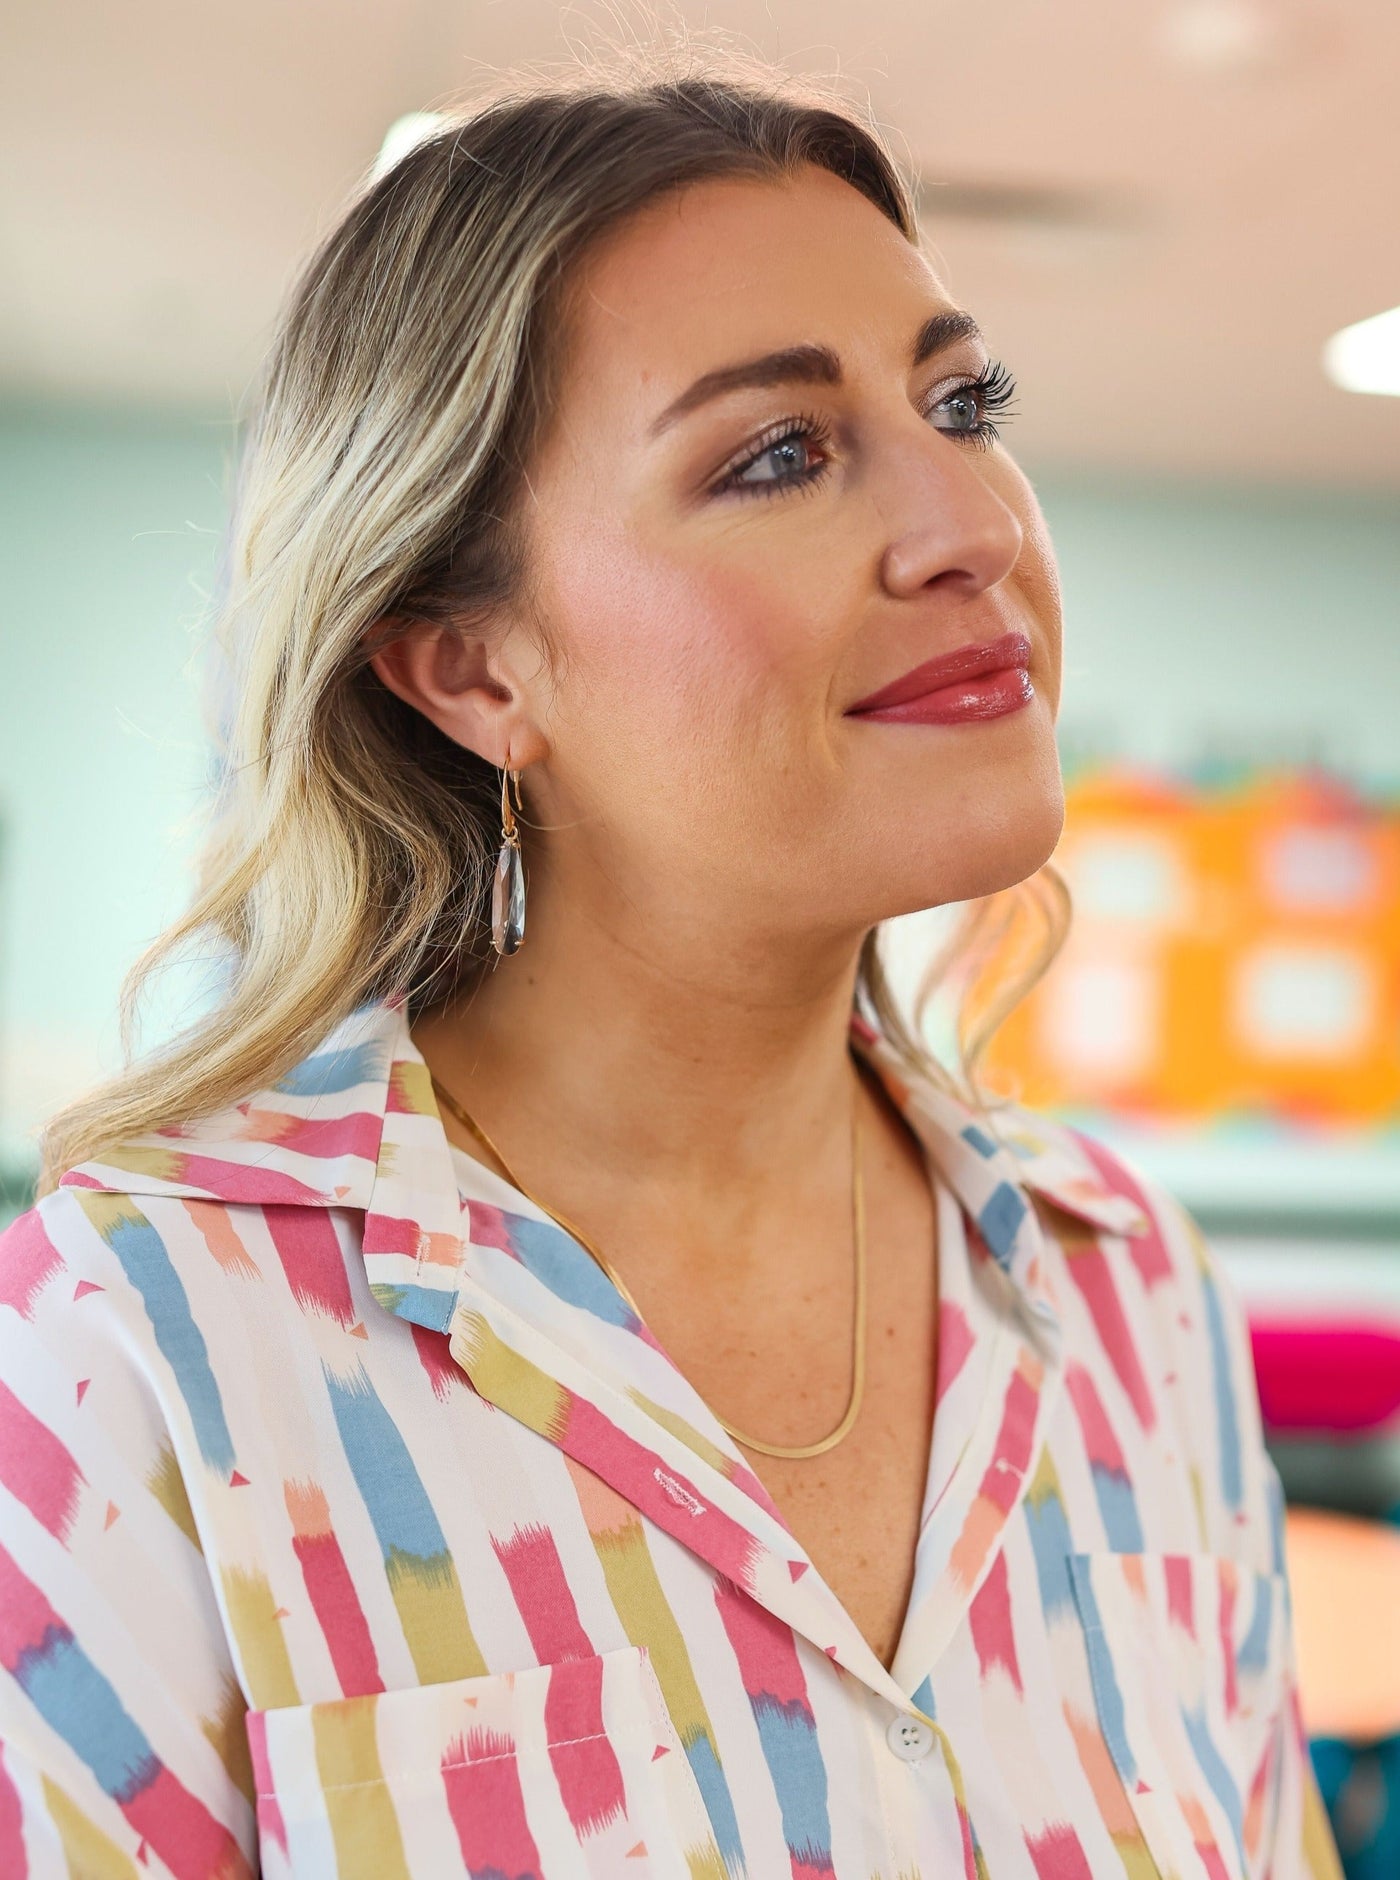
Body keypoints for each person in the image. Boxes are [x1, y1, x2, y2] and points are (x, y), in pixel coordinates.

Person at [0, 52, 1343, 1880]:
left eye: (966, 401)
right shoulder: (141, 1343)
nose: (976, 529)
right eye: (776, 455)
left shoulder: (1134, 1303)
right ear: (474, 669)